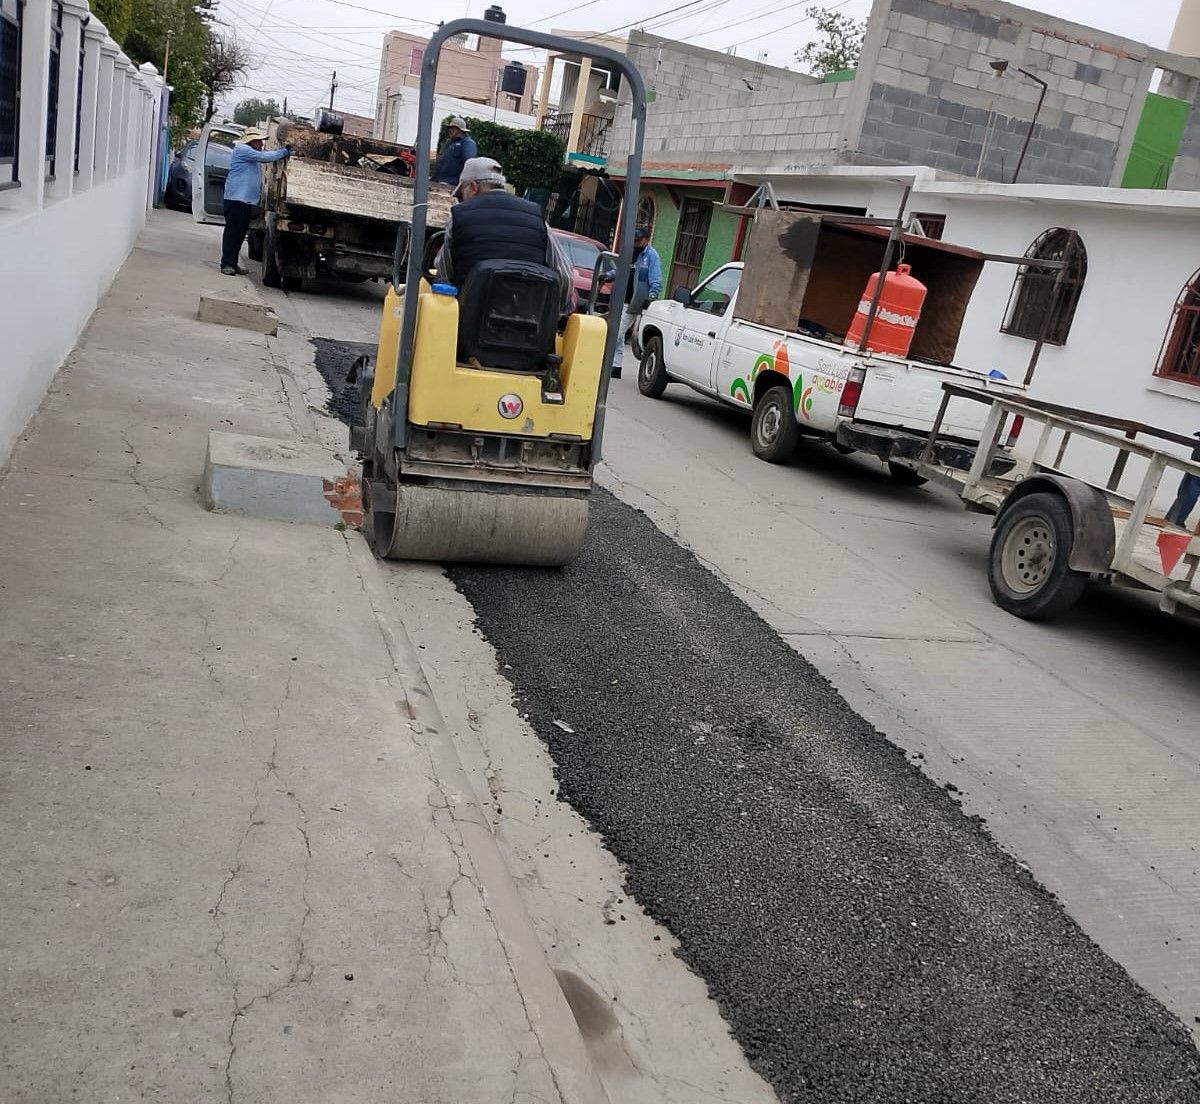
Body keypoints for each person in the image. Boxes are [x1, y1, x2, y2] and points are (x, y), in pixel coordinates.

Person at [435, 157, 573, 313]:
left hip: (467, 326)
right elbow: (565, 276)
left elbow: (443, 274)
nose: (460, 202)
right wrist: (557, 312)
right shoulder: (537, 218)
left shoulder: (458, 217)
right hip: (527, 327)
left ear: (473, 187)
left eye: (460, 196)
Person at [221, 127, 288, 276]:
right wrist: (285, 151)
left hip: (244, 201)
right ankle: (226, 263)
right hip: (236, 199)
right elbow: (266, 157)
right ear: (252, 141)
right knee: (233, 233)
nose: (261, 144)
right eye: (259, 141)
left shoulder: (249, 153)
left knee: (239, 234)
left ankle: (232, 263)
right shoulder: (243, 150)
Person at [612, 224, 662, 379]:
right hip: (620, 297)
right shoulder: (630, 252)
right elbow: (620, 269)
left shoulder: (651, 256)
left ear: (646, 239)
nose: (635, 242)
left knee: (617, 333)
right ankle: (616, 366)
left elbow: (656, 279)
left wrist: (652, 295)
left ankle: (612, 364)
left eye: (639, 239)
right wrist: (608, 275)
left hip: (634, 302)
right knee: (616, 333)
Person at [1166, 431, 1200, 529]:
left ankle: (1175, 520)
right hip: (1195, 462)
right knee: (1187, 491)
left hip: (1196, 463)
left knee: (1189, 491)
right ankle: (1174, 519)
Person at [433, 117, 477, 188]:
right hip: (441, 182)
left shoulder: (467, 143)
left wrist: (460, 183)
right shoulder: (450, 144)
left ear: (459, 130)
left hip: (452, 185)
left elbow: (469, 164)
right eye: (450, 128)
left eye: (453, 128)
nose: (450, 130)